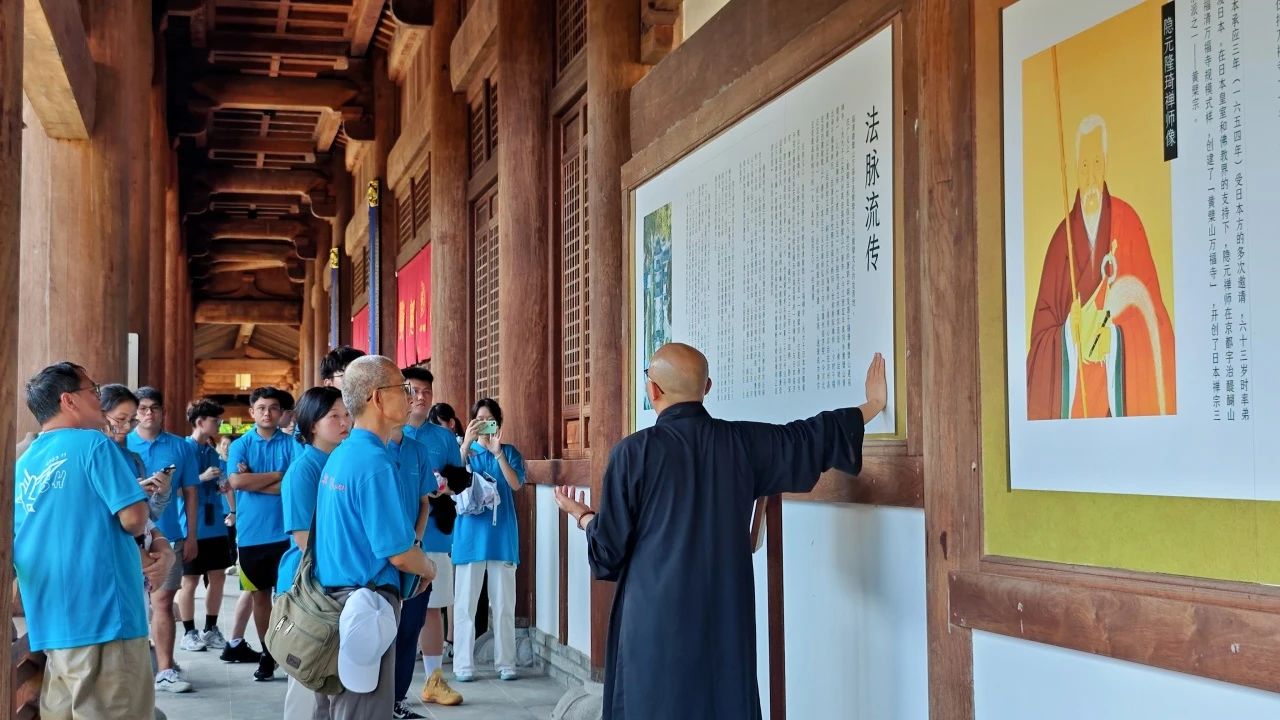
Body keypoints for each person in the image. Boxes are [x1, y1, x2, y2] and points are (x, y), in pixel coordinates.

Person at [552, 343, 887, 719]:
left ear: (653, 390)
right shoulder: (743, 444)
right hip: (724, 614)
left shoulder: (633, 453)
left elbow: (608, 552)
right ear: (707, 387)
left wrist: (583, 516)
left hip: (654, 619)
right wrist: (872, 405)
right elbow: (808, 437)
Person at [15, 363, 172, 719]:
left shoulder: (24, 461)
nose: (99, 399)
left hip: (50, 617)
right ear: (68, 400)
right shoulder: (93, 443)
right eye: (93, 390)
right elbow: (133, 519)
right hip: (104, 613)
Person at [1026, 114, 1176, 419]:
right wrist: (1069, 337)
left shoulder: (1128, 223)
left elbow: (1155, 322)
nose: (1091, 176)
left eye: (1096, 163)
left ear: (1106, 163)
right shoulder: (1060, 242)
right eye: (1084, 165)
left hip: (1114, 407)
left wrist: (1116, 341)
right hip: (1076, 408)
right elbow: (1040, 340)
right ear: (1074, 169)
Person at [312, 355, 437, 718]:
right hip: (364, 606)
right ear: (378, 398)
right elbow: (399, 553)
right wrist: (428, 568)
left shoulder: (344, 453)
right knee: (363, 709)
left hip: (336, 600)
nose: (411, 397)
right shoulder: (374, 462)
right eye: (403, 388)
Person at [390, 368, 466, 716]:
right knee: (391, 610)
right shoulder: (389, 434)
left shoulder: (443, 437)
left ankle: (434, 678)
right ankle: (387, 688)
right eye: (414, 390)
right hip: (395, 540)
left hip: (435, 533)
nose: (420, 397)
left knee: (431, 606)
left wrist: (444, 488)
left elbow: (459, 480)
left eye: (426, 392)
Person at [276, 387, 351, 720]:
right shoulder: (303, 470)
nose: (344, 422)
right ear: (312, 425)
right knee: (307, 680)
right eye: (334, 416)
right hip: (310, 588)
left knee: (331, 679)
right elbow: (304, 540)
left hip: (337, 583)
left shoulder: (342, 462)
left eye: (346, 414)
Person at [127, 387, 201, 695]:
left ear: (163, 412)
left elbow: (192, 493)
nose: (148, 413)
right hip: (129, 537)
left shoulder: (180, 447)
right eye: (142, 408)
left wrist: (192, 535)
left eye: (154, 408)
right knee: (134, 604)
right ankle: (144, 663)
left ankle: (166, 668)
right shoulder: (121, 444)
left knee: (162, 602)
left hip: (170, 534)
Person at [226, 386, 299, 680]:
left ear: (281, 413)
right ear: (252, 412)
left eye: (273, 408)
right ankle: (268, 653)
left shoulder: (292, 444)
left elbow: (294, 484)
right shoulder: (240, 445)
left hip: (287, 533)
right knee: (259, 597)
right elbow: (236, 482)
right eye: (261, 408)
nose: (267, 413)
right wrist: (278, 476)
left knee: (288, 598)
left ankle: (289, 652)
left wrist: (254, 479)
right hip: (251, 534)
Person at [453, 398, 526, 683]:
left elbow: (516, 484)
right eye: (479, 420)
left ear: (498, 423)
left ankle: (506, 663)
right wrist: (465, 445)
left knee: (505, 605)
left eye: (489, 420)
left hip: (501, 537)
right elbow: (452, 482)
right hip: (469, 537)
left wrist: (498, 455)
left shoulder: (509, 453)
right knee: (465, 605)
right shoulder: (466, 452)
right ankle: (463, 664)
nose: (484, 425)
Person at [177, 399, 234, 654]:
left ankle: (211, 628)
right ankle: (189, 632)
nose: (219, 424)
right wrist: (201, 478)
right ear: (200, 422)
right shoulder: (183, 449)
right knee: (189, 580)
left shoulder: (212, 451)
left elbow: (222, 480)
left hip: (215, 524)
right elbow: (174, 489)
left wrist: (223, 485)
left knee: (218, 577)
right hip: (191, 526)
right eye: (215, 420)